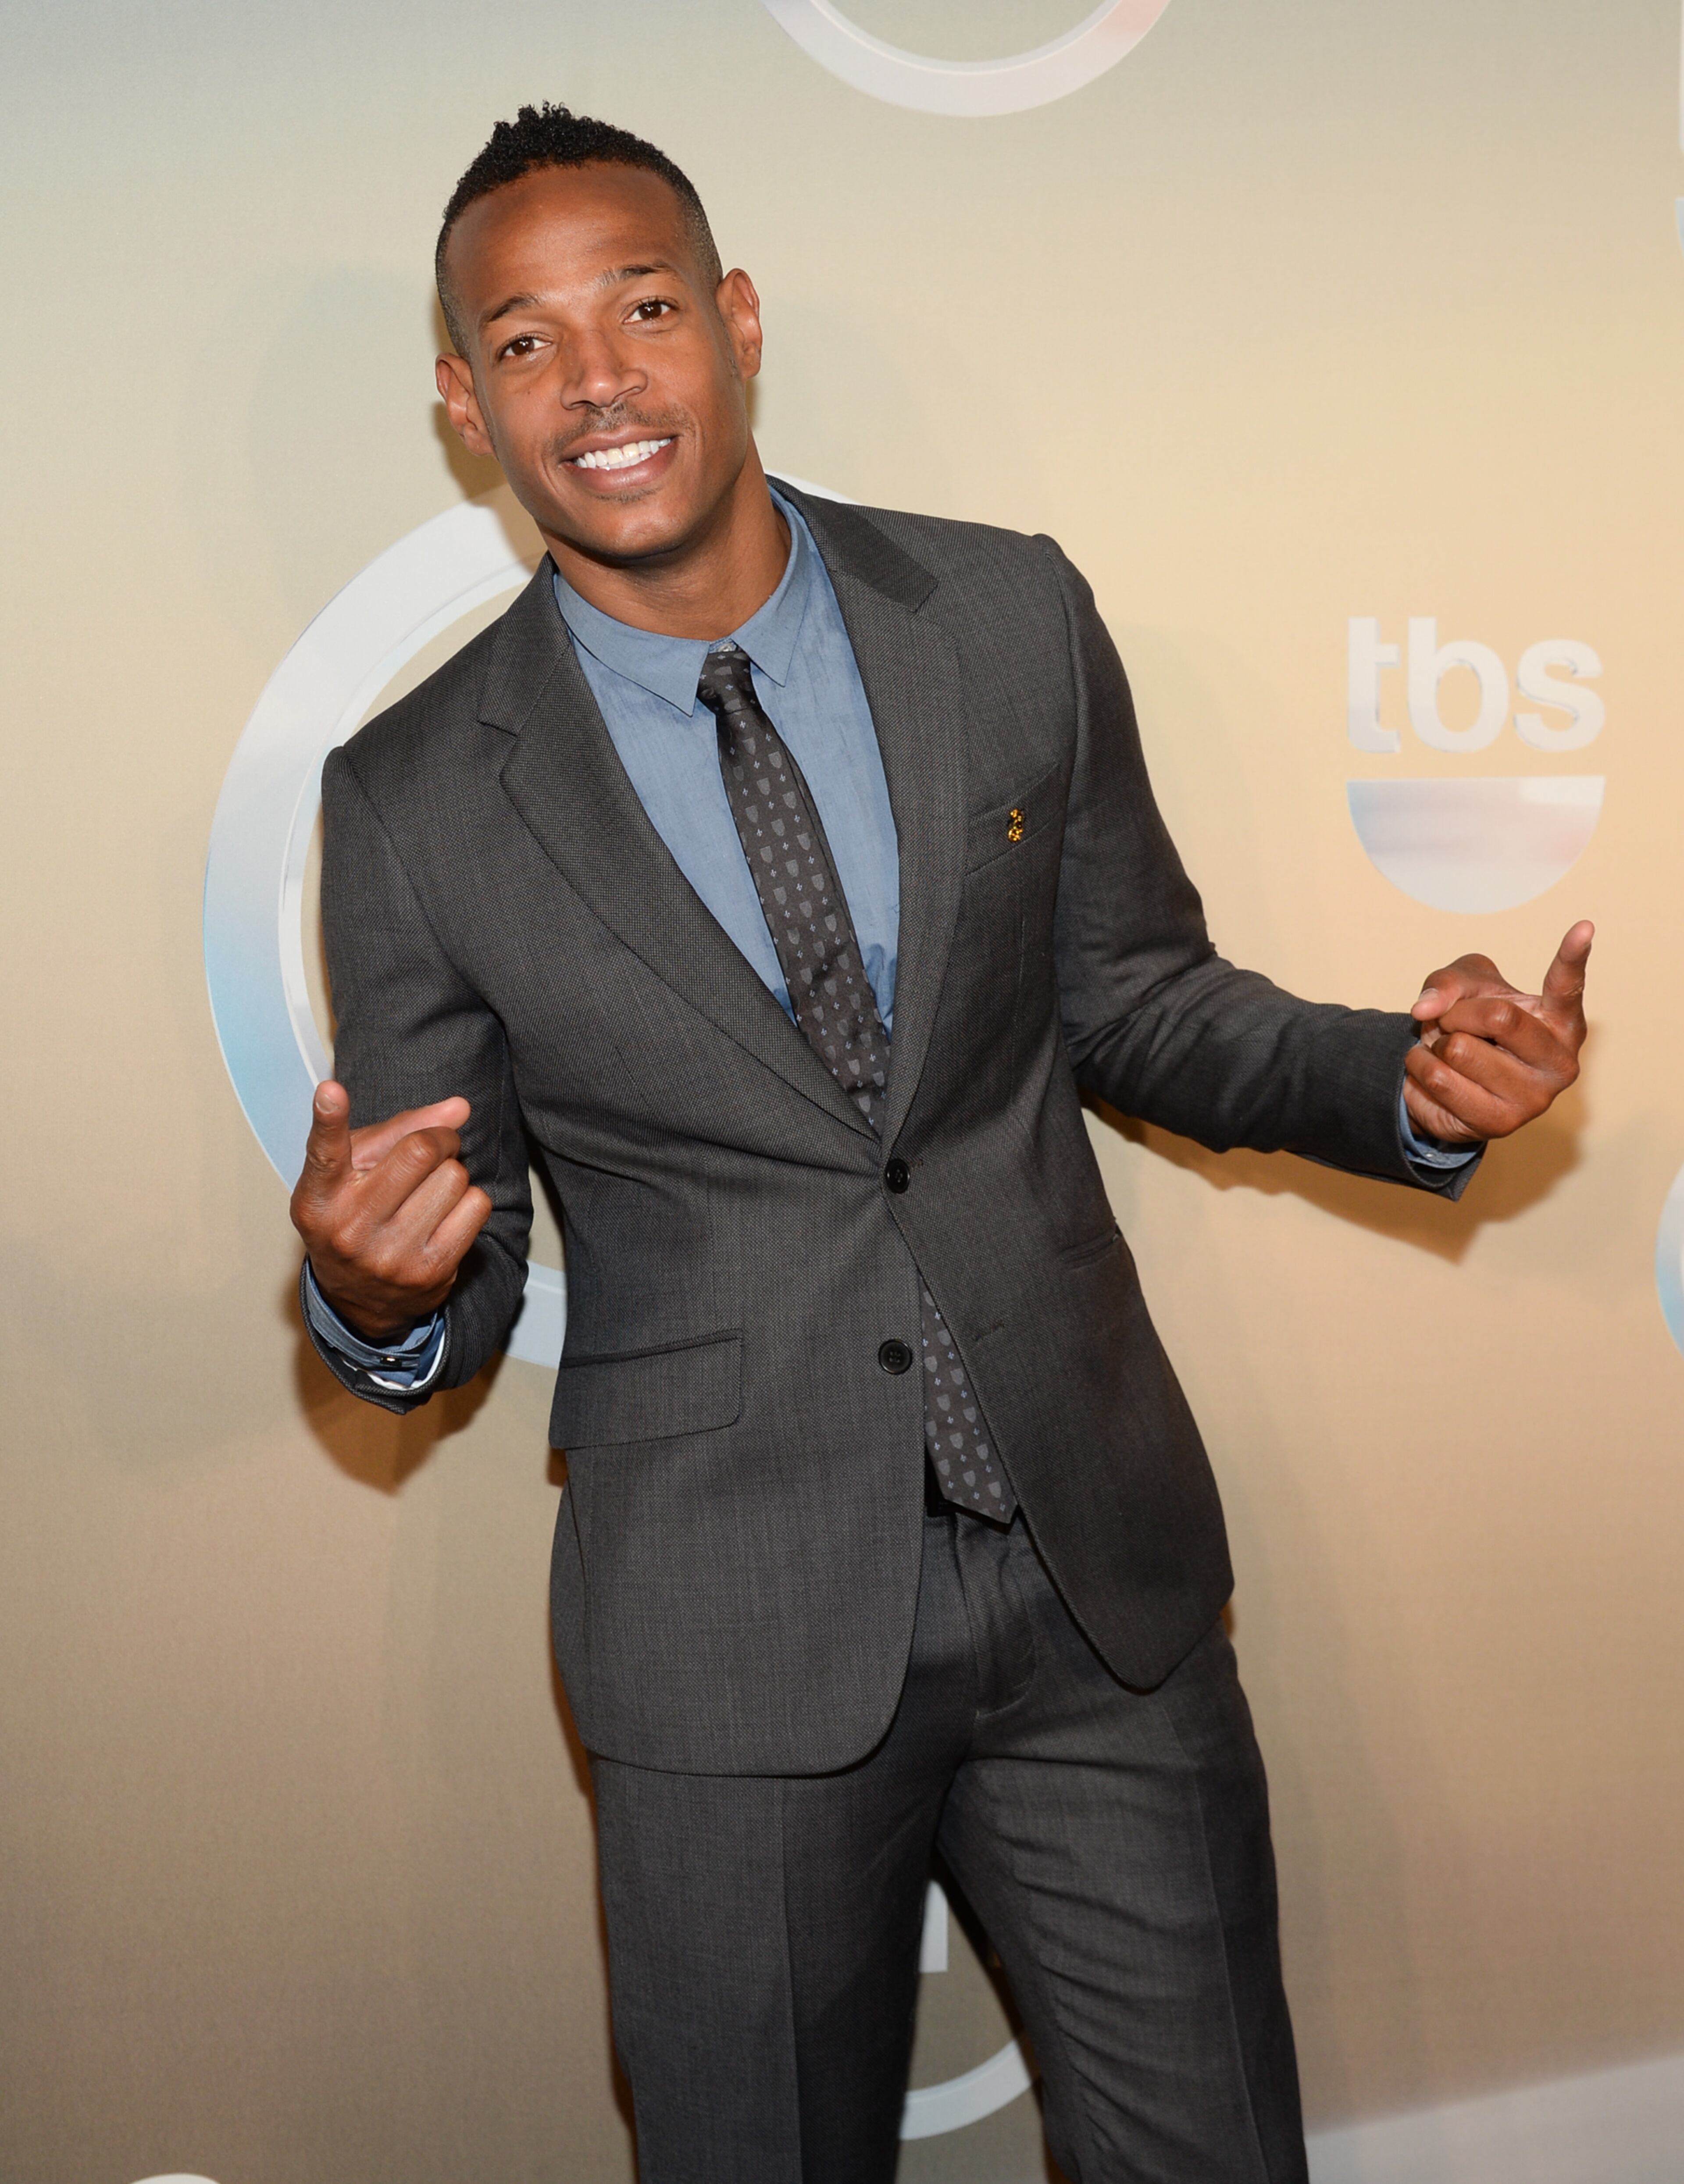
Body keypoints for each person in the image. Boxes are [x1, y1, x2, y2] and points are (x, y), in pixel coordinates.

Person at [289, 104, 1591, 2184]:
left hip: (1100, 1588)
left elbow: (1139, 1002)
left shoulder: (1003, 617)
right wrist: (372, 1297)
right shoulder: (417, 797)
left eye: (640, 308)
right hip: (728, 1639)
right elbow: (462, 1255)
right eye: (523, 343)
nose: (597, 378)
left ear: (734, 319)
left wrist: (1398, 1086)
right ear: (465, 403)